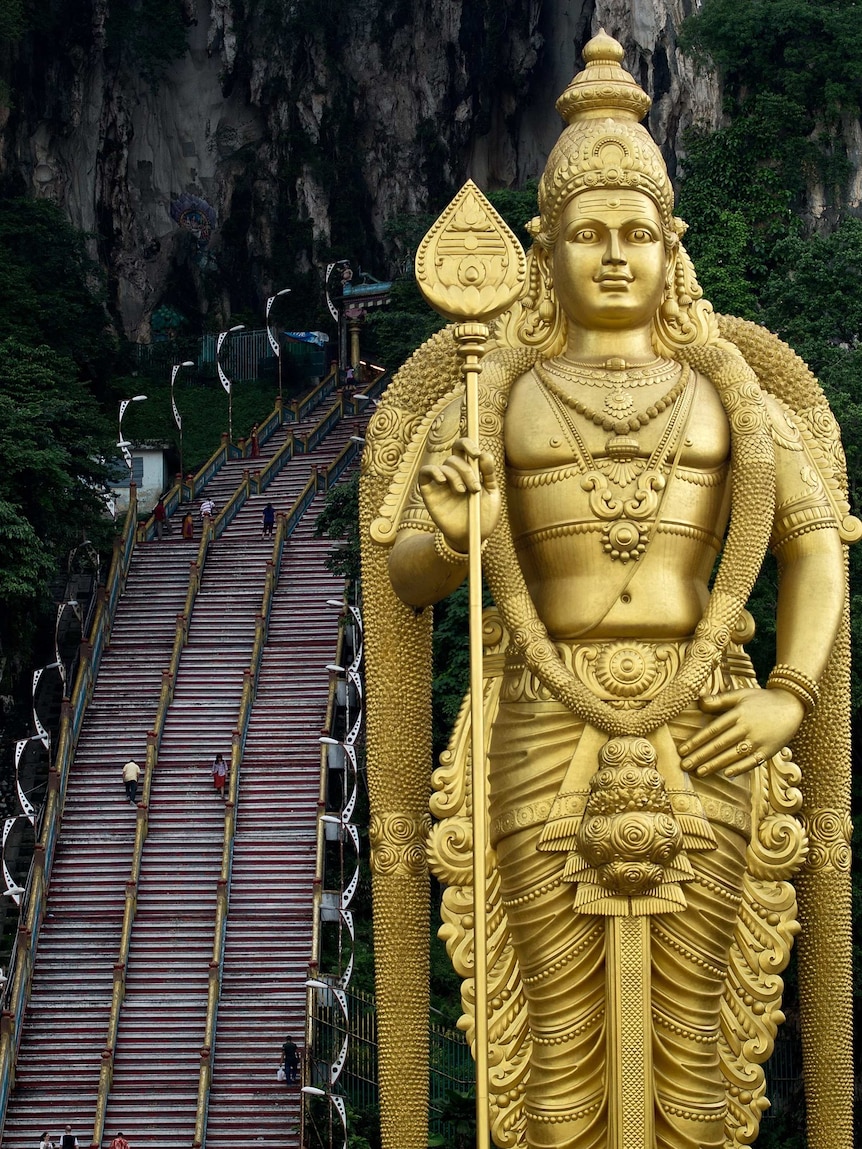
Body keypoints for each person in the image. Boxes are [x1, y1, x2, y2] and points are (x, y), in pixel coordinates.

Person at [362, 31, 856, 1149]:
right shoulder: (490, 400)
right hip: (541, 719)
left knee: (702, 1042)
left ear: (672, 247)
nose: (616, 255)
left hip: (704, 718)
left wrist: (788, 689)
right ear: (545, 252)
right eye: (589, 234)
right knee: (544, 1038)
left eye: (638, 232)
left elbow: (814, 545)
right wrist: (451, 534)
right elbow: (406, 578)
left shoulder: (731, 399)